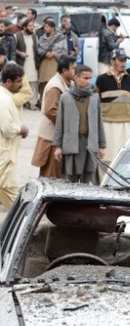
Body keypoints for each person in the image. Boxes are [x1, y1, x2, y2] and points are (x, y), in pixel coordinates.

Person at [53, 65, 106, 184]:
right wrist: (57, 146)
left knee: (89, 181)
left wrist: (101, 146)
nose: (88, 81)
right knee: (69, 181)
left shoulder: (94, 97)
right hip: (71, 145)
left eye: (90, 78)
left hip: (90, 145)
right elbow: (59, 123)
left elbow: (99, 123)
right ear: (76, 78)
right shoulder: (65, 98)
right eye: (85, 78)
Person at [31, 55, 77, 178]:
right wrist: (68, 124)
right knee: (51, 176)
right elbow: (51, 111)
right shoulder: (55, 86)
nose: (75, 71)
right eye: (73, 68)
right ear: (64, 70)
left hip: (58, 137)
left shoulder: (68, 83)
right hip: (51, 138)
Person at [95, 48, 130, 164]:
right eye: (120, 60)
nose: (123, 63)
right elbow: (95, 105)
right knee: (106, 158)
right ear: (112, 61)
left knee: (126, 159)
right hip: (107, 124)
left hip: (126, 124)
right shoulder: (101, 80)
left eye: (125, 60)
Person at [0, 63, 30, 208]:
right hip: (4, 155)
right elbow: (6, 128)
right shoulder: (4, 100)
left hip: (6, 155)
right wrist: (21, 129)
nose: (21, 85)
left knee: (9, 191)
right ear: (8, 82)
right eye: (18, 82)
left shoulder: (6, 97)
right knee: (11, 192)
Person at [37, 20, 67, 103]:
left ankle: (53, 102)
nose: (45, 29)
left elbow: (64, 50)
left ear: (52, 28)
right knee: (44, 82)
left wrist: (54, 53)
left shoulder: (60, 37)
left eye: (47, 27)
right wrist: (45, 53)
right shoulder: (42, 38)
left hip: (55, 62)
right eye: (45, 27)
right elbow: (39, 49)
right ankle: (43, 101)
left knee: (53, 82)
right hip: (44, 62)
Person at [15, 18, 39, 110]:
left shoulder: (34, 36)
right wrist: (20, 53)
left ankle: (33, 103)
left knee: (33, 82)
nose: (32, 28)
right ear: (24, 27)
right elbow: (14, 49)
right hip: (22, 63)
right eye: (30, 26)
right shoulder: (17, 36)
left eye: (33, 26)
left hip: (32, 62)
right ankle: (22, 102)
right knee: (22, 82)